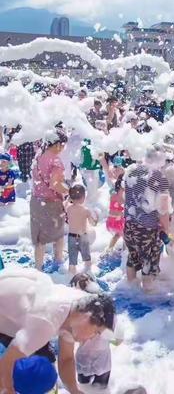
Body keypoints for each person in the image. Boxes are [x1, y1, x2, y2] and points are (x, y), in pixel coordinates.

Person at [0, 268, 115, 394]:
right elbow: (6, 364)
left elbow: (66, 359)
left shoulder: (77, 311)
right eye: (96, 332)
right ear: (87, 317)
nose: (92, 338)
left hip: (19, 302)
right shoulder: (47, 321)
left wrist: (74, 390)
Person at [123, 144, 171, 292]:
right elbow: (163, 209)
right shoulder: (158, 176)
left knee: (132, 256)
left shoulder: (130, 171)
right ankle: (148, 296)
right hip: (147, 228)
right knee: (147, 263)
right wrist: (167, 230)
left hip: (129, 224)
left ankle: (130, 288)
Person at [70, 273, 118, 390]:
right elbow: (74, 338)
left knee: (97, 390)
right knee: (84, 388)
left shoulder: (108, 310)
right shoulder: (76, 310)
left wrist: (98, 327)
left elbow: (117, 340)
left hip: (102, 362)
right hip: (84, 360)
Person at [30, 129, 69, 271]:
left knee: (39, 238)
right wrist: (68, 191)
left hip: (36, 200)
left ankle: (38, 268)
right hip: (51, 202)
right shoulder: (55, 160)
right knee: (58, 234)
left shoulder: (39, 154)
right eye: (63, 145)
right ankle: (58, 262)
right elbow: (55, 184)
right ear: (58, 144)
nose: (63, 149)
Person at [65, 184, 98, 275]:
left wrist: (69, 199)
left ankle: (71, 276)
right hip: (83, 237)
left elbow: (65, 204)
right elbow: (92, 223)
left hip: (71, 237)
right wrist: (96, 219)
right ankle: (88, 274)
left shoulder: (68, 208)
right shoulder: (85, 210)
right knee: (87, 259)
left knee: (72, 261)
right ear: (83, 197)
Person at [105, 157, 125, 251]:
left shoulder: (113, 194)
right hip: (119, 220)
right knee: (124, 235)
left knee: (117, 235)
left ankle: (109, 249)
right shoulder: (122, 194)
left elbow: (109, 175)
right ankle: (126, 251)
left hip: (111, 220)